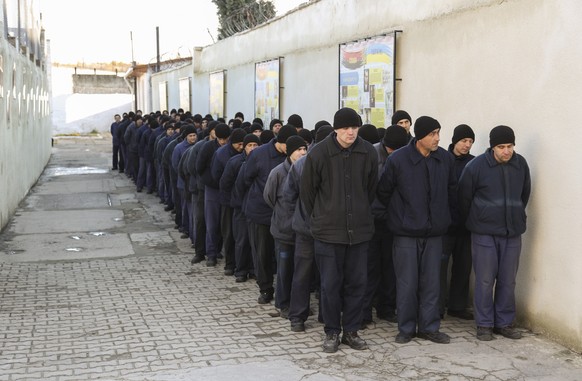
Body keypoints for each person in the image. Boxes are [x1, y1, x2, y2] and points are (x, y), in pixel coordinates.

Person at [300, 107, 378, 353]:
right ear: (336, 130)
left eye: (354, 128)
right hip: (328, 232)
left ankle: (352, 331)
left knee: (357, 283)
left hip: (360, 232)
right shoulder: (319, 153)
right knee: (330, 285)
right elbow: (307, 193)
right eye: (345, 128)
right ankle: (332, 331)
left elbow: (371, 189)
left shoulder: (367, 152)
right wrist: (324, 216)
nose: (350, 133)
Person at [377, 116, 456, 345]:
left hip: (434, 233)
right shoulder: (399, 160)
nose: (437, 138)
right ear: (419, 137)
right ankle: (406, 328)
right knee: (407, 283)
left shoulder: (445, 159)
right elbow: (384, 192)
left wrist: (445, 218)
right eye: (432, 134)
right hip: (405, 233)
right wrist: (397, 218)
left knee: (432, 283)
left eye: (438, 133)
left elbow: (452, 192)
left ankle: (429, 328)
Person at [458, 125, 531, 341]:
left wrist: (515, 215)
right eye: (501, 147)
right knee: (484, 280)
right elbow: (464, 198)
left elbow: (524, 194)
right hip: (484, 232)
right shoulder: (476, 166)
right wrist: (479, 219)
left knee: (508, 280)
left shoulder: (521, 164)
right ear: (492, 147)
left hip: (512, 232)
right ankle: (484, 324)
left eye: (510, 146)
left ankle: (505, 323)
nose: (506, 151)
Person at [241, 124, 298, 304]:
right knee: (262, 253)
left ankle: (286, 294)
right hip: (261, 213)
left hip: (285, 218)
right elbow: (246, 178)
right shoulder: (259, 154)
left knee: (284, 257)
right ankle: (265, 289)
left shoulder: (295, 159)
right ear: (280, 143)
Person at [285, 125, 334, 332]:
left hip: (308, 228)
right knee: (326, 275)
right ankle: (322, 314)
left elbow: (289, 196)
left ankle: (298, 317)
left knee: (303, 274)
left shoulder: (301, 164)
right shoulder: (330, 163)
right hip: (323, 229)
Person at [362, 125, 409, 328]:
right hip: (371, 221)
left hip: (393, 220)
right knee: (369, 268)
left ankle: (387, 308)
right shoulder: (370, 154)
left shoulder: (405, 155)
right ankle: (364, 311)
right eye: (391, 150)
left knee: (391, 268)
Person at [263, 135, 308, 317]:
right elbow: (269, 197)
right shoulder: (278, 173)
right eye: (299, 150)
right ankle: (283, 303)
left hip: (303, 231)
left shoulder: (307, 170)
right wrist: (284, 213)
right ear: (290, 153)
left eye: (305, 149)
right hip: (283, 230)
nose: (303, 153)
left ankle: (298, 304)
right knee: (284, 269)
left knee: (301, 271)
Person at [440, 124, 476, 320]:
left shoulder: (474, 163)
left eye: (470, 142)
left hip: (465, 225)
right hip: (445, 225)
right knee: (439, 268)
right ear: (455, 140)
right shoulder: (443, 159)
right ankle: (437, 307)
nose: (467, 145)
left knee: (463, 267)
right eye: (464, 141)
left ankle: (457, 306)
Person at [212, 128, 246, 274]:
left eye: (243, 144)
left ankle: (242, 265)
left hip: (243, 201)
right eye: (239, 144)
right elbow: (216, 176)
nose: (241, 147)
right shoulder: (221, 154)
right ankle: (230, 264)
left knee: (242, 235)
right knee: (229, 233)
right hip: (227, 200)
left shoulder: (247, 155)